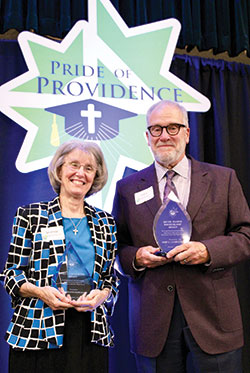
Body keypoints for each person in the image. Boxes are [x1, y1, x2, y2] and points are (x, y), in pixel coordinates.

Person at [112, 100, 250, 373]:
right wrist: (137, 258)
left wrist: (208, 251)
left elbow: (245, 235)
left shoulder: (223, 179)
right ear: (147, 137)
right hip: (153, 323)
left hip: (214, 318)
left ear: (187, 133)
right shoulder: (127, 188)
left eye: (173, 127)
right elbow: (118, 246)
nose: (164, 135)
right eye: (156, 129)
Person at [2, 139, 119, 373]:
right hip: (38, 330)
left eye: (88, 168)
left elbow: (110, 279)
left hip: (90, 332)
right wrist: (40, 292)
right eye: (73, 165)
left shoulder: (106, 222)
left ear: (96, 175)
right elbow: (11, 275)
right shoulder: (31, 216)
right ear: (59, 170)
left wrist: (102, 295)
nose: (80, 173)